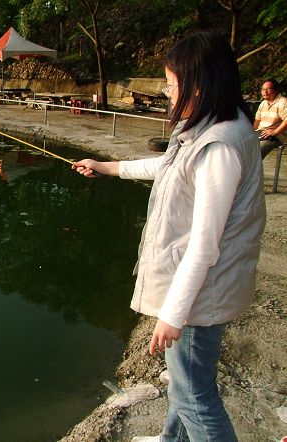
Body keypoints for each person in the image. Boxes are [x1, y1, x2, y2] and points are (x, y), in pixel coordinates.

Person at [72, 31, 265, 441]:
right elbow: (168, 167)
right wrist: (107, 168)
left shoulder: (219, 148)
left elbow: (204, 245)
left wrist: (173, 315)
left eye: (171, 85)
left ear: (198, 86)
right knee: (183, 384)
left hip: (199, 295)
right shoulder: (216, 126)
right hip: (200, 291)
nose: (167, 94)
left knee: (196, 396)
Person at [253, 79, 287, 159]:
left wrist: (275, 131)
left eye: (268, 89)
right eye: (263, 89)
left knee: (257, 151)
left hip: (276, 137)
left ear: (276, 90)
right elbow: (256, 122)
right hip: (261, 134)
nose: (265, 92)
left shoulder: (282, 102)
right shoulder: (263, 103)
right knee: (241, 145)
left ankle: (253, 170)